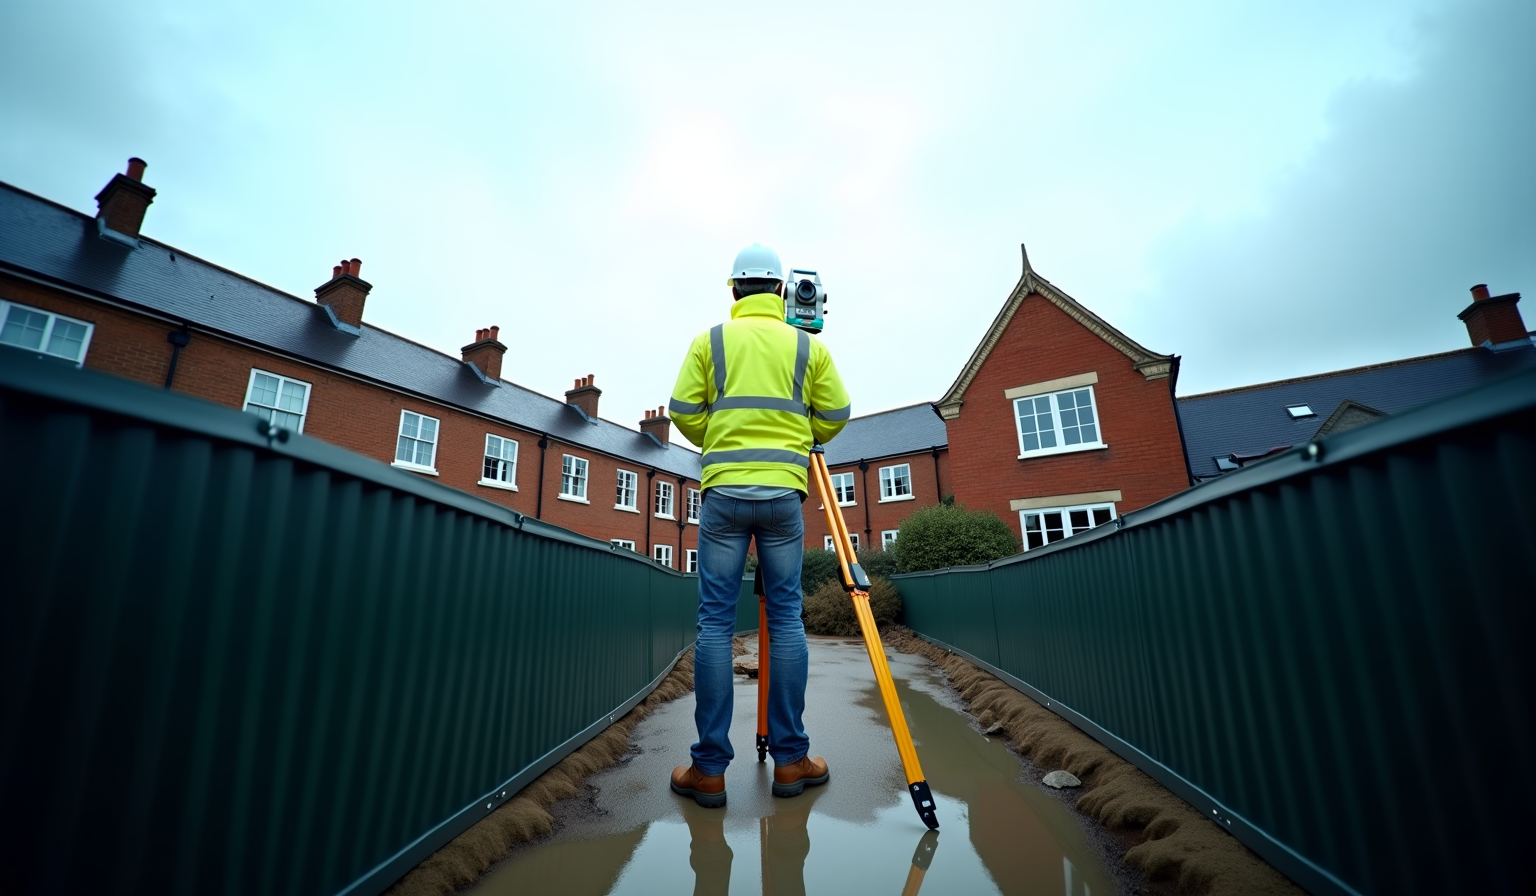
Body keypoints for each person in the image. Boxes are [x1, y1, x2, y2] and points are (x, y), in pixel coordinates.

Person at [666, 243, 851, 808]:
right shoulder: (806, 344)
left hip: (722, 494)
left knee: (717, 625)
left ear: (732, 292)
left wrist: (719, 445)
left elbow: (681, 410)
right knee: (789, 618)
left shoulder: (710, 341)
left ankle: (710, 770)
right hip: (783, 499)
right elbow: (837, 413)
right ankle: (792, 762)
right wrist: (796, 441)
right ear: (780, 292)